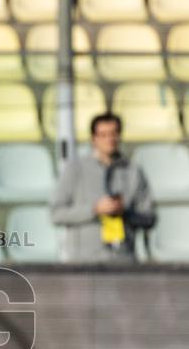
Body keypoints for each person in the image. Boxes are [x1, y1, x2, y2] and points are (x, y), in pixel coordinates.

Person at [49, 112, 155, 263]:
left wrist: (124, 212)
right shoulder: (76, 169)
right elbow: (56, 214)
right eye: (103, 134)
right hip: (84, 262)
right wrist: (94, 210)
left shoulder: (133, 171)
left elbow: (149, 218)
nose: (109, 139)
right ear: (94, 139)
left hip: (123, 260)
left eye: (114, 133)